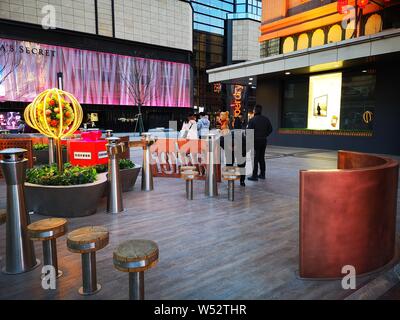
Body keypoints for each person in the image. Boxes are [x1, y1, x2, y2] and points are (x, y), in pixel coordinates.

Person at [247, 104, 273, 181]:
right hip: (263, 140)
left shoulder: (252, 120)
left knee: (255, 158)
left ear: (254, 110)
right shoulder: (266, 119)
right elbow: (270, 129)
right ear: (261, 110)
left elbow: (249, 132)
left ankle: (254, 175)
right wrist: (265, 135)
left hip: (255, 141)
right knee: (261, 157)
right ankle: (262, 174)